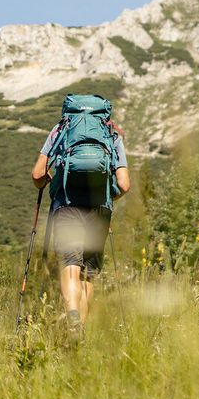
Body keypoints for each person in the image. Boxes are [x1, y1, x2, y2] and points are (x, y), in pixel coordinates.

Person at [31, 96, 130, 334]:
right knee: (88, 273)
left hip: (68, 205)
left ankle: (72, 315)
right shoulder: (110, 134)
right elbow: (124, 185)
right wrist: (107, 197)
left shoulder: (61, 129)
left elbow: (37, 176)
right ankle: (80, 334)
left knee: (70, 264)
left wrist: (50, 182)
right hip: (99, 209)